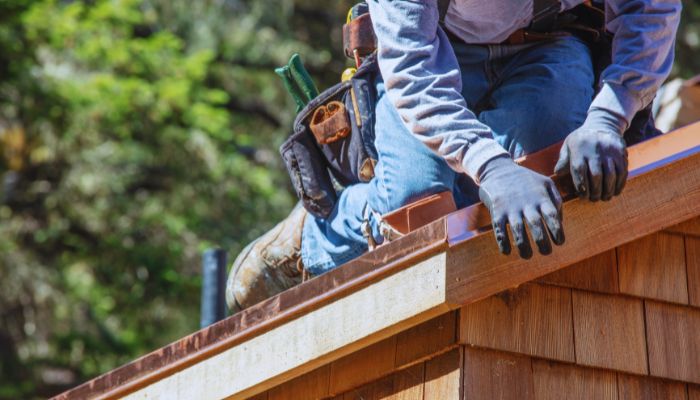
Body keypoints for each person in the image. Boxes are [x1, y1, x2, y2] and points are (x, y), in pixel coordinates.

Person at [226, 0, 681, 312]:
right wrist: (492, 167)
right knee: (420, 214)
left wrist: (608, 116)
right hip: (434, 53)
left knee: (552, 176)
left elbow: (651, 11)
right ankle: (313, 239)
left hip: (549, 45)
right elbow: (413, 71)